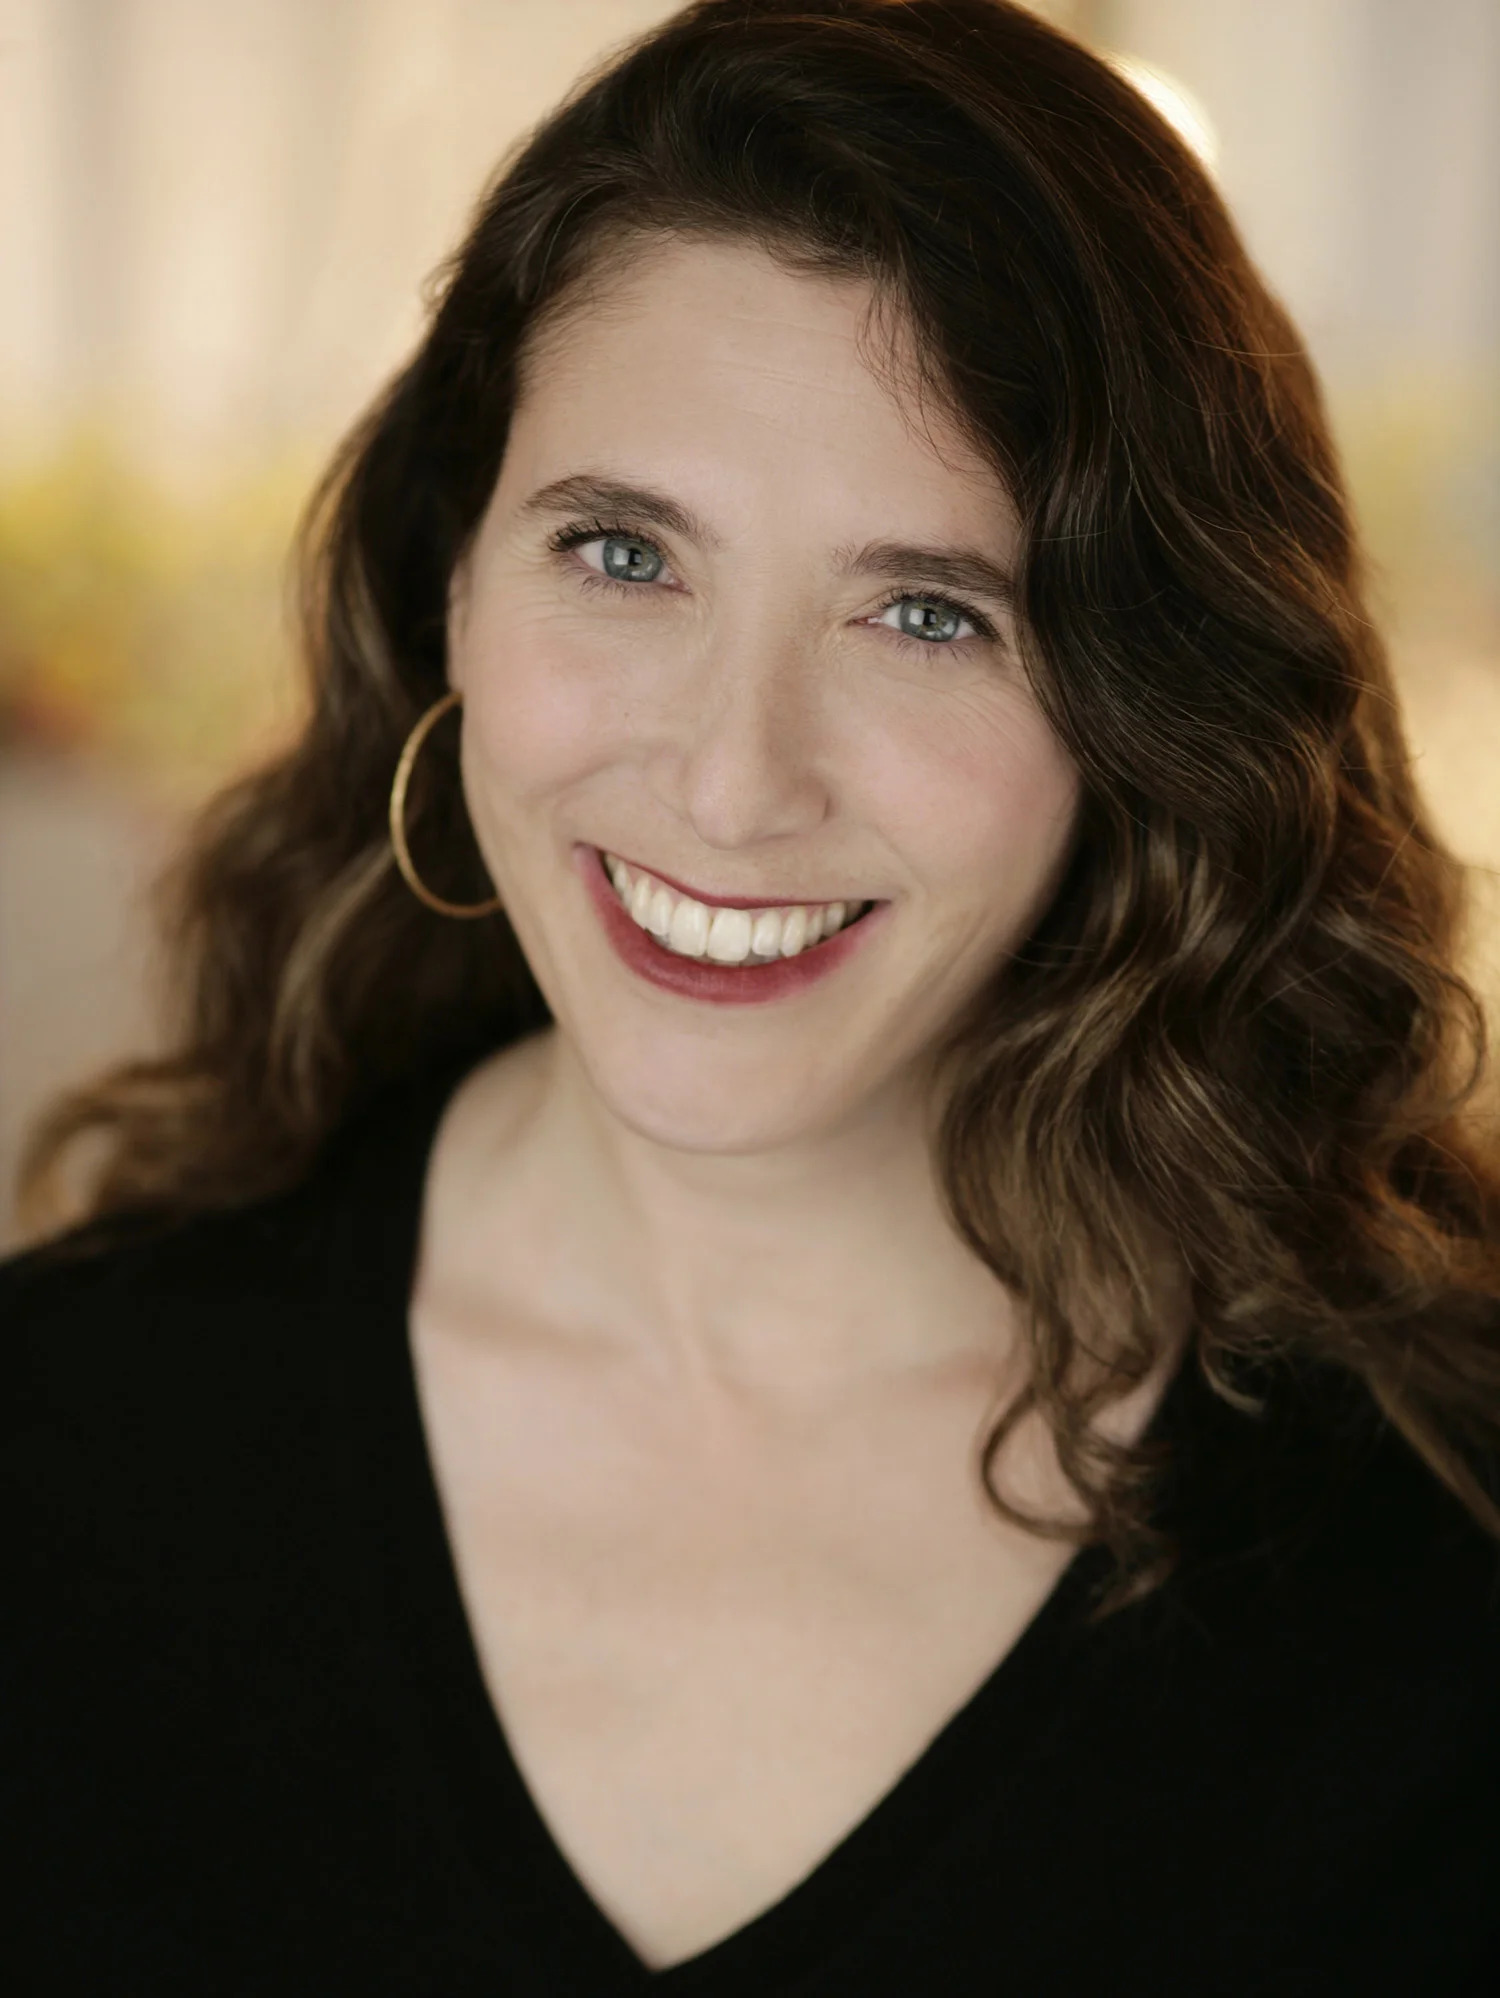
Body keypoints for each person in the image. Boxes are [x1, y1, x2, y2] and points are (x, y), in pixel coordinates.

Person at [5, 0, 1499, 1989]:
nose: (731, 783)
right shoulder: (59, 1452)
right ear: (454, 578)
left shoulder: (1437, 1553)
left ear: (1152, 705)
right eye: (625, 553)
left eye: (924, 611)